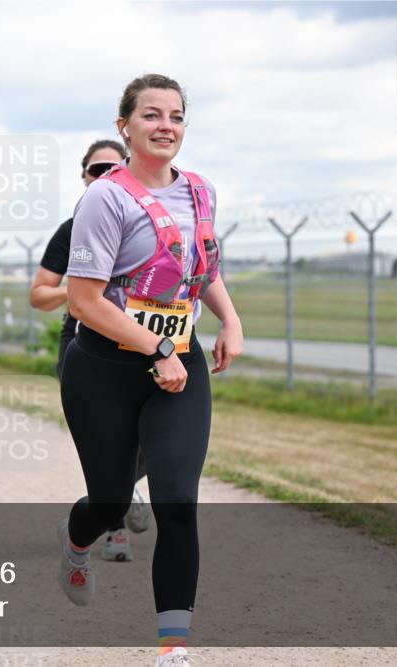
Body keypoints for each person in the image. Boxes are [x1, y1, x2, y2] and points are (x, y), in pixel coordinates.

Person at [56, 74, 243, 667]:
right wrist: (154, 352)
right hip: (104, 368)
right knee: (111, 503)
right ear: (125, 126)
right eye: (152, 115)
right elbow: (83, 301)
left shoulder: (200, 192)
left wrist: (229, 321)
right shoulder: (104, 199)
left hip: (180, 366)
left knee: (176, 501)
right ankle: (77, 542)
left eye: (177, 116)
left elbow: (202, 268)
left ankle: (173, 647)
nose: (166, 126)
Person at [29, 139, 150, 564]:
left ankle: (127, 487)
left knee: (156, 439)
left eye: (112, 169)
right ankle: (115, 532)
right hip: (84, 342)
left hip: (146, 342)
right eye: (95, 170)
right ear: (83, 176)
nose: (103, 177)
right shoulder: (75, 227)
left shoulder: (151, 222)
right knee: (108, 438)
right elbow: (38, 294)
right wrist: (80, 288)